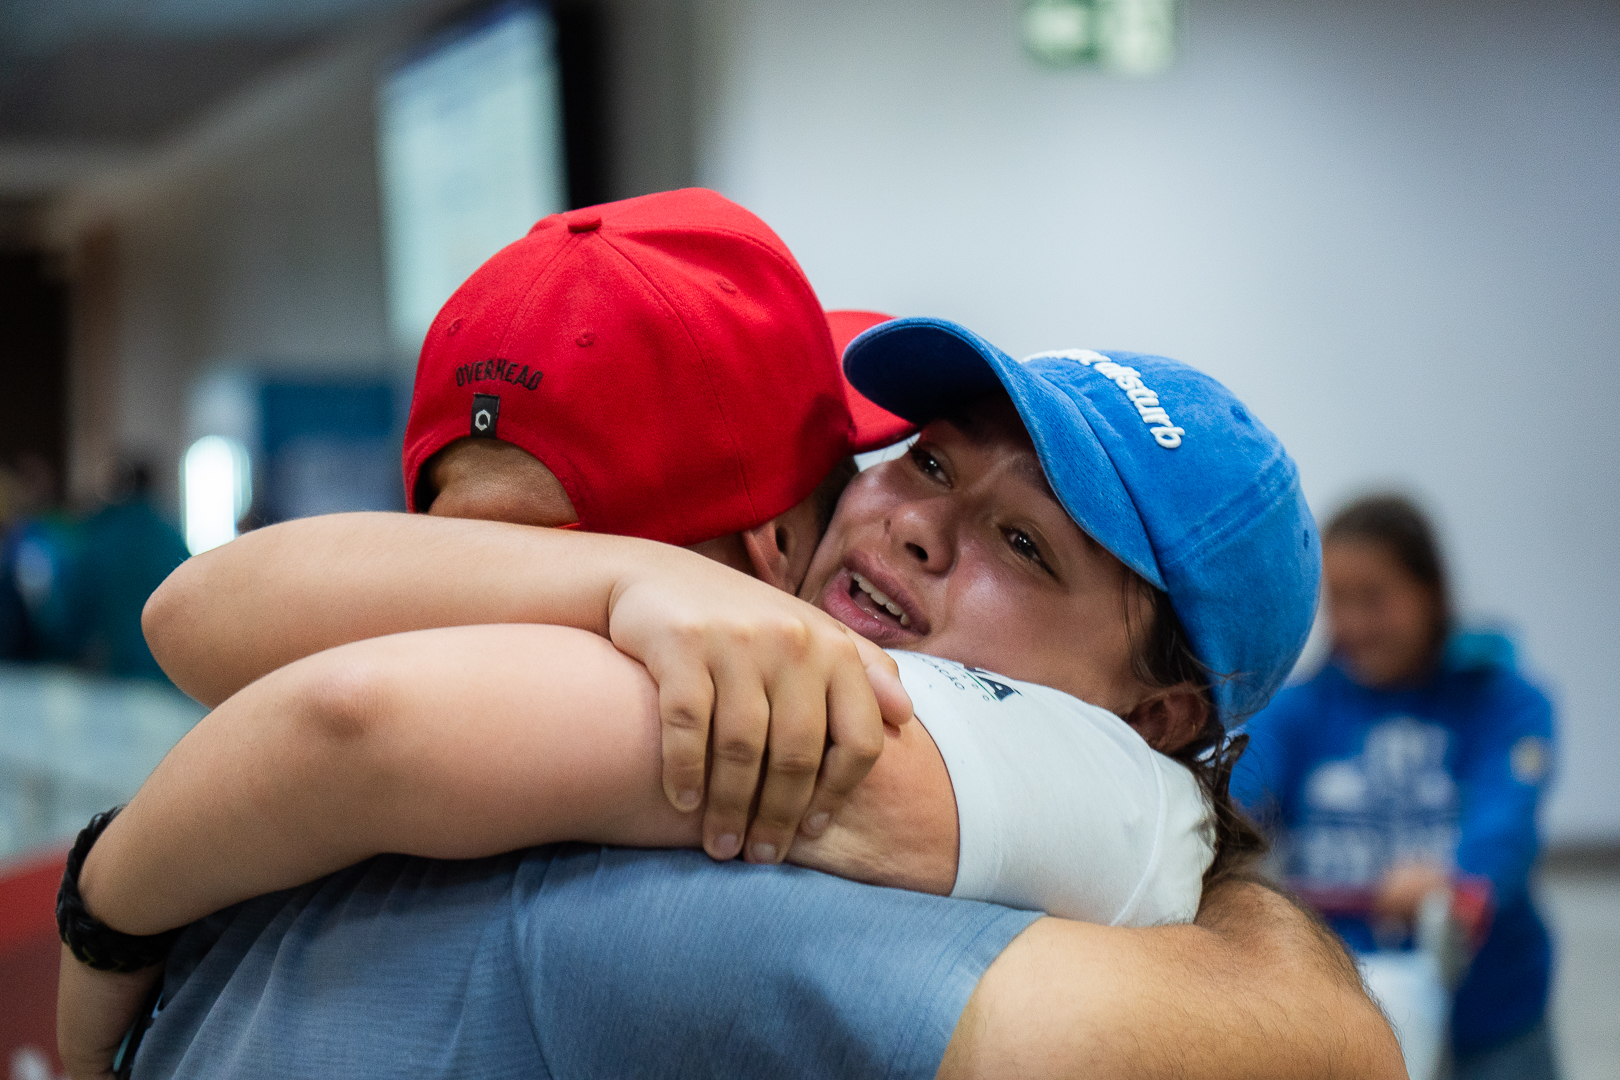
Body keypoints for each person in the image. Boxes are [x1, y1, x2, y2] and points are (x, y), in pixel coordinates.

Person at [60, 190, 1396, 1077]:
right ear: (766, 551)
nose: (914, 524)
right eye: (924, 464)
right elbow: (1331, 1053)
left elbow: (244, 642)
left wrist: (107, 899)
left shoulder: (280, 784)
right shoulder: (694, 861)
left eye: (1026, 544)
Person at [1232, 493, 1559, 1080]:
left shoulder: (1505, 704)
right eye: (1339, 601)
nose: (1353, 624)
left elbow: (1505, 819)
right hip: (1348, 1013)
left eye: (1374, 598)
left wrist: (1456, 881)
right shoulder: (1299, 711)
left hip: (1492, 1013)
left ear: (1430, 593)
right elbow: (1240, 789)